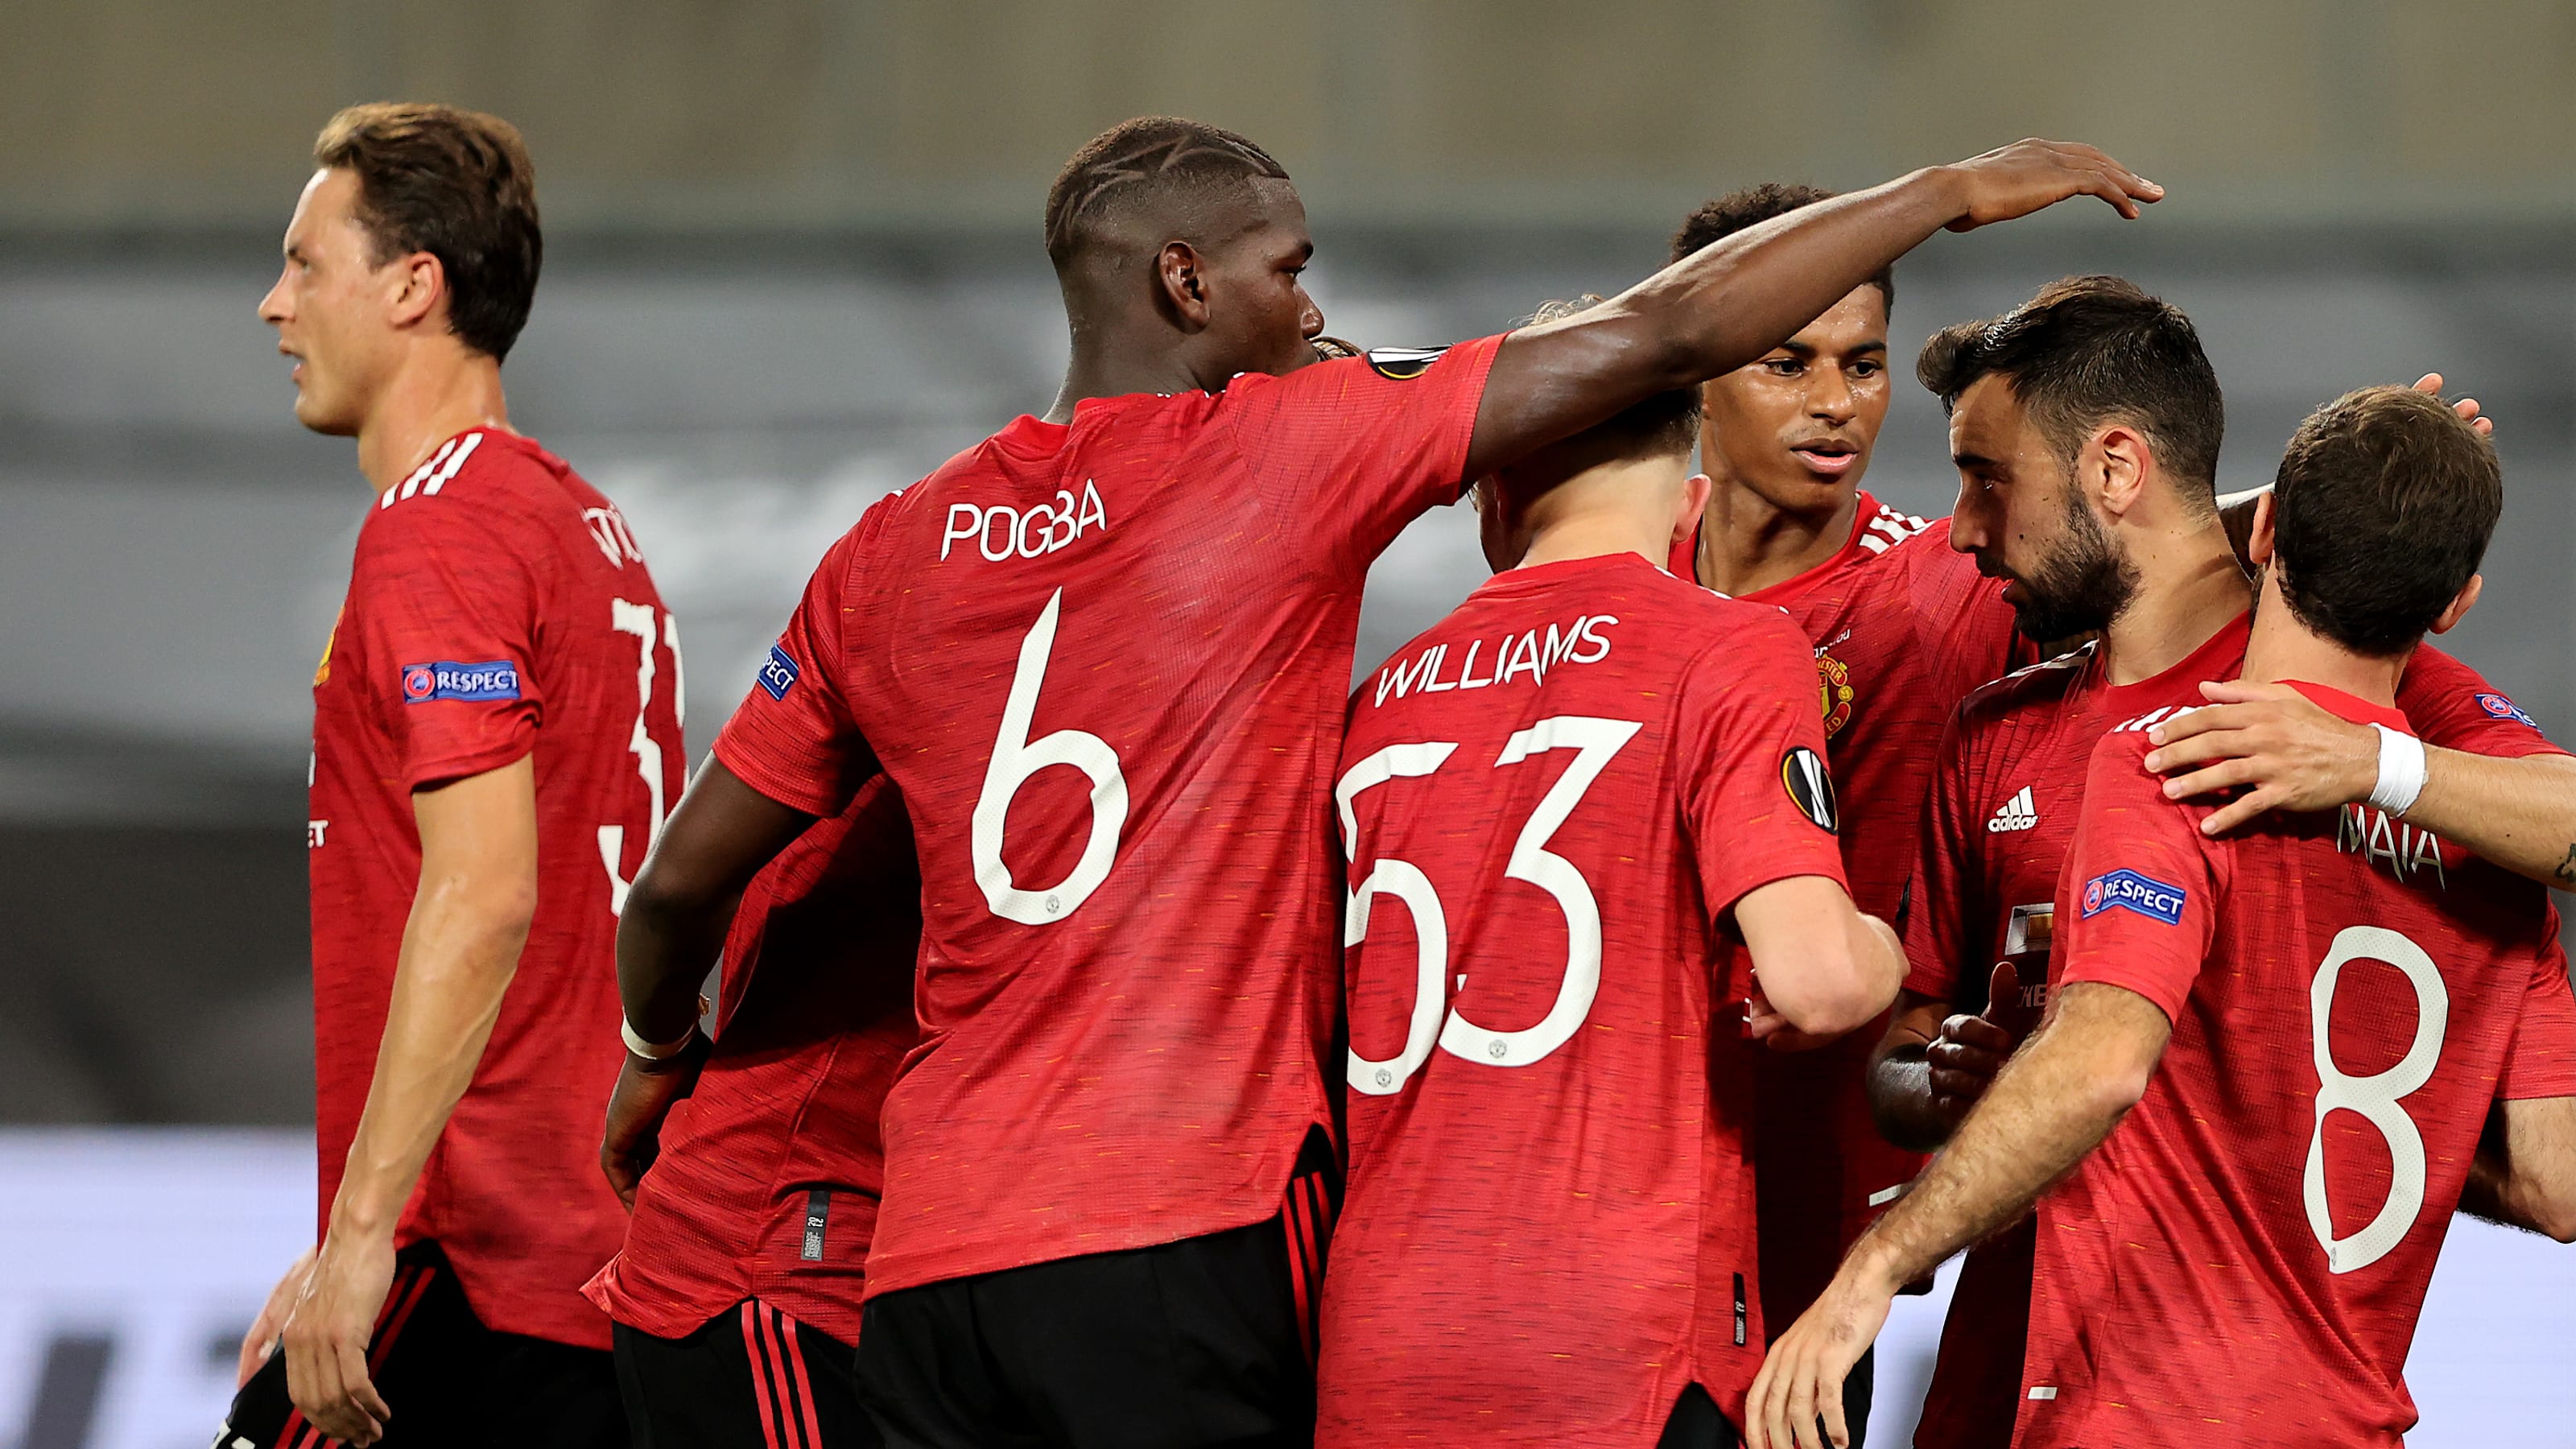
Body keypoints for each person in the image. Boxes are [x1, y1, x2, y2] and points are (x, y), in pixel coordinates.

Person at [613, 116, 2159, 1447]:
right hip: (1211, 1228)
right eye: (1288, 270)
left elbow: (684, 880)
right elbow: (1667, 331)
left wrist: (653, 1052)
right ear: (1186, 282)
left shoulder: (900, 545)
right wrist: (1946, 191)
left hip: (943, 1261)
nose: (1313, 308)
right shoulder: (1297, 458)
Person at [1751, 385, 2576, 1449]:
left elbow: (2099, 1065)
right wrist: (2291, 1115)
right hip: (2343, 1420)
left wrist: (1870, 1271)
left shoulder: (2171, 762)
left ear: (2263, 531)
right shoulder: (2497, 849)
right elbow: (2556, 1183)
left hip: (2136, 1409)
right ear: (2456, 601)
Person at [1314, 299, 1903, 1447]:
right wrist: (1879, 945)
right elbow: (1822, 984)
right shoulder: (1727, 650)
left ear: (1496, 484)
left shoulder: (1380, 700)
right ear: (1687, 486)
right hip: (1614, 1334)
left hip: (1382, 1333)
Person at [225, 103, 677, 1447]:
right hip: (597, 1256)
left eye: (306, 264)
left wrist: (363, 1237)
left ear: (414, 285)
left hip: (480, 1258)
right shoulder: (583, 523)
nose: (274, 306)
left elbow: (483, 895)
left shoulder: (442, 529)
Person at [1665, 186, 2025, 1439]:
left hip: (1801, 1248)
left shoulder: (1939, 587)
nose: (1837, 403)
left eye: (1863, 365)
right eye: (1788, 362)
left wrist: (2331, 508)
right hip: (1602, 1204)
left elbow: (2166, 551)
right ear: (1695, 369)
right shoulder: (1611, 555)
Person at [584, 780, 918, 1448]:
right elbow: (670, 894)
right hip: (780, 1259)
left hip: (900, 1262)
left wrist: (656, 1054)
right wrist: (656, 1053)